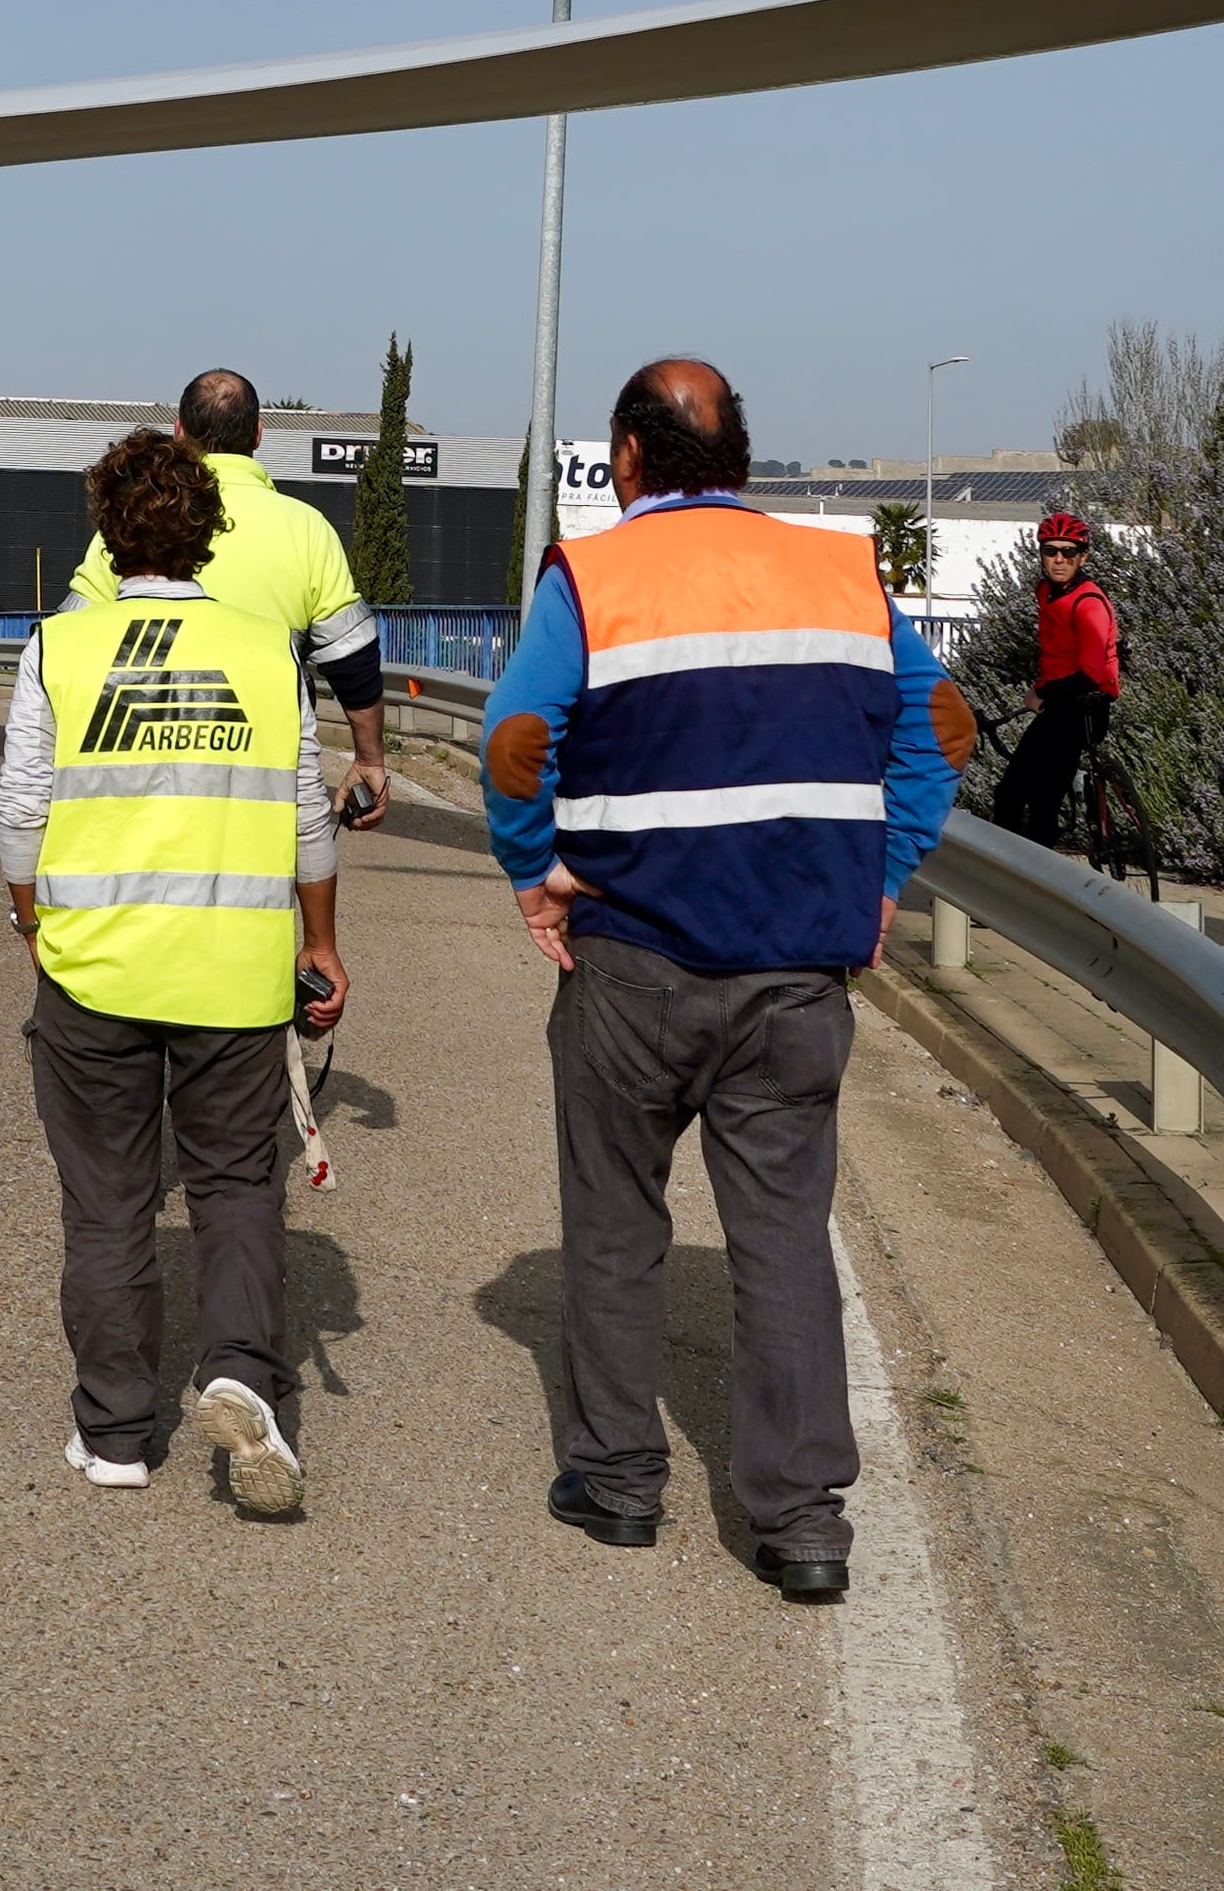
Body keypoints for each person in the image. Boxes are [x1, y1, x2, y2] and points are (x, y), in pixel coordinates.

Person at [477, 358, 965, 1602]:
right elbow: (941, 725)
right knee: (785, 1239)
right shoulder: (841, 573)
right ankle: (802, 1523)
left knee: (615, 1220)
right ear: (740, 456)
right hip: (798, 969)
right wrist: (884, 873)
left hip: (632, 962)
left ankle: (620, 1482)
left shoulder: (590, 576)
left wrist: (539, 875)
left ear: (629, 457)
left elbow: (514, 748)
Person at [1, 425, 349, 1512]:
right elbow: (306, 819)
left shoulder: (62, 646)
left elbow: (19, 814)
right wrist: (321, 941)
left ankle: (114, 1437)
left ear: (106, 532)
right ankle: (241, 1370)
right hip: (237, 980)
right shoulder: (262, 651)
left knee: (107, 1205)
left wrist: (33, 923)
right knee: (240, 1187)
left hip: (95, 971)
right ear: (207, 531)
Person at [71, 370, 393, 833]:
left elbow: (74, 639)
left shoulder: (138, 521)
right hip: (265, 783)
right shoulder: (307, 529)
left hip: (138, 768)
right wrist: (369, 759)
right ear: (259, 433)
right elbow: (352, 660)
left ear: (179, 431)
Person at [990, 510, 1120, 850]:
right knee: (1008, 794)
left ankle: (1037, 890)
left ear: (1083, 557)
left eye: (1069, 552)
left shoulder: (1088, 603)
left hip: (1084, 706)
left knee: (1042, 799)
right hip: (1058, 703)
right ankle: (1006, 873)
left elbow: (1091, 674)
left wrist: (1041, 692)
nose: (1059, 559)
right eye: (1050, 551)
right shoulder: (1046, 591)